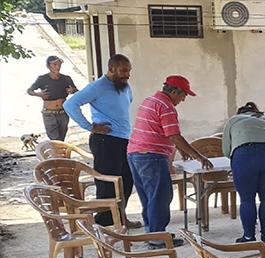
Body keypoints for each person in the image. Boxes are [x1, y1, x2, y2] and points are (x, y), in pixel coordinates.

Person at [126, 76, 212, 247]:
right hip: (152, 155)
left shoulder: (150, 100)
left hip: (135, 153)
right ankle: (158, 237)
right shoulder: (167, 107)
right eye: (183, 95)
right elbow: (174, 135)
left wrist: (179, 148)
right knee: (160, 196)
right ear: (174, 92)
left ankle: (152, 232)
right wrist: (198, 156)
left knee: (148, 196)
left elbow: (165, 133)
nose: (183, 99)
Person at [63, 54, 135, 227]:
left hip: (123, 139)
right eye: (123, 71)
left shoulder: (124, 86)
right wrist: (89, 126)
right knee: (107, 183)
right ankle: (104, 223)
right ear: (111, 69)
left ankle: (120, 218)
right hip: (105, 140)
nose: (127, 74)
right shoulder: (97, 87)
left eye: (129, 71)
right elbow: (70, 104)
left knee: (126, 179)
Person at [222, 102, 265, 244]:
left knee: (247, 199)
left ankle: (248, 237)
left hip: (244, 157)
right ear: (258, 112)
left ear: (240, 113)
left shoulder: (233, 121)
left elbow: (226, 151)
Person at [28, 55, 77, 142]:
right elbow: (29, 91)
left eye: (59, 64)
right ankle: (57, 154)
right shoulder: (42, 79)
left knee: (61, 139)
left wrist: (72, 90)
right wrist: (39, 94)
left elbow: (76, 91)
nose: (57, 67)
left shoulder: (66, 78)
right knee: (54, 139)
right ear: (48, 66)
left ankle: (60, 155)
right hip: (49, 113)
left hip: (63, 112)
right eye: (54, 64)